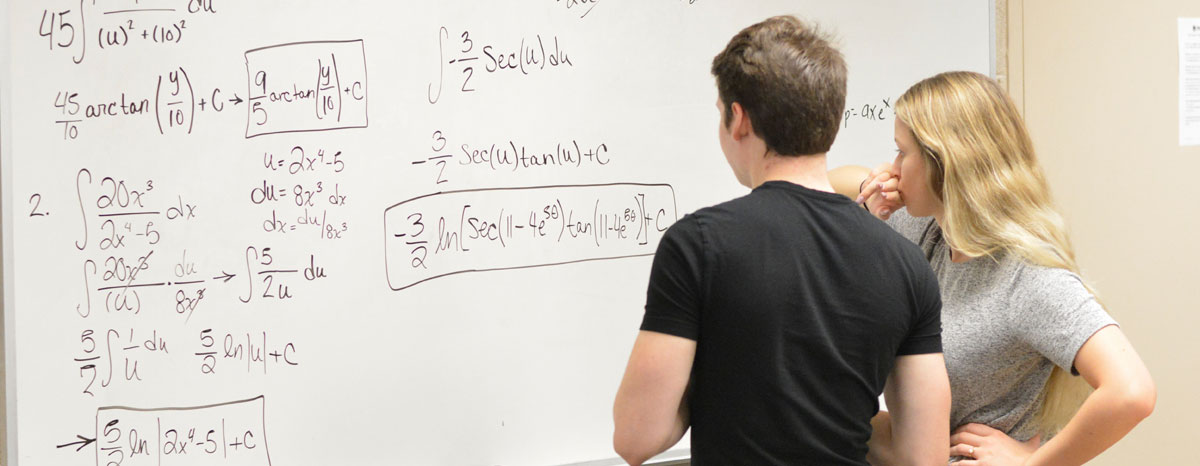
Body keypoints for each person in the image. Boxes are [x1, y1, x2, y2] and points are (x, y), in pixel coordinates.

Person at [612, 16, 951, 465]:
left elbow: (636, 438)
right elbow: (922, 457)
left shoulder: (698, 245)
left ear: (738, 119)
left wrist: (717, 382)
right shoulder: (909, 265)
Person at [833, 71, 1156, 465]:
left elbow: (1132, 391)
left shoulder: (1028, 277)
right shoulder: (927, 230)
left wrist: (1032, 464)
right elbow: (827, 185)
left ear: (943, 163)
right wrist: (870, 199)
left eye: (902, 152)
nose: (893, 166)